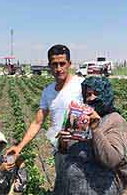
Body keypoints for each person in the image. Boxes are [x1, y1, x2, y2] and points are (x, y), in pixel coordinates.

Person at [6, 44, 84, 177]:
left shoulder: (82, 85)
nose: (59, 68)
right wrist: (19, 147)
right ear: (49, 65)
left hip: (82, 151)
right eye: (54, 64)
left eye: (62, 63)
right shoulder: (48, 92)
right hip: (60, 151)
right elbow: (37, 122)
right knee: (63, 186)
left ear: (69, 64)